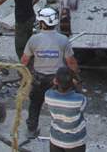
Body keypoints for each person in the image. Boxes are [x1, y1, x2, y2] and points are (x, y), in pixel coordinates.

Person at [22, 7, 79, 138]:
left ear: (42, 23)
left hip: (38, 79)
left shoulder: (33, 39)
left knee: (35, 104)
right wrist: (76, 76)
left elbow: (24, 60)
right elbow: (71, 62)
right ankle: (64, 129)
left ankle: (31, 130)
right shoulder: (63, 39)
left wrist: (24, 77)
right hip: (57, 79)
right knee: (62, 104)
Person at [44, 67, 87, 152]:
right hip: (75, 141)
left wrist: (55, 84)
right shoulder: (80, 99)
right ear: (73, 82)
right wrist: (77, 85)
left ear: (56, 81)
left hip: (56, 139)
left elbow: (52, 89)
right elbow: (82, 107)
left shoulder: (48, 95)